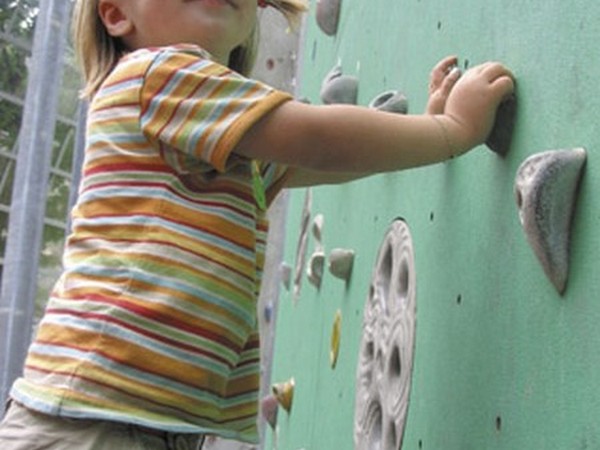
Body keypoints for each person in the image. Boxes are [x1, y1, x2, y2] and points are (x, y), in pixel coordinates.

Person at [0, 0, 515, 449]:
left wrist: (424, 133)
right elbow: (316, 140)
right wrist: (449, 130)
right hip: (92, 412)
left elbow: (321, 161)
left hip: (125, 417)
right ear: (116, 14)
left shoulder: (214, 139)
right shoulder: (154, 74)